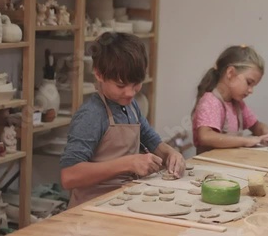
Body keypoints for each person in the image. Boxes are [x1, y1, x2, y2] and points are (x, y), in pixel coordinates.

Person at [60, 32, 186, 208]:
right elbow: (69, 176)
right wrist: (129, 163)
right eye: (121, 85)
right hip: (92, 211)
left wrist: (171, 154)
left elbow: (152, 140)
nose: (130, 93)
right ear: (99, 74)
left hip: (123, 202)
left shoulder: (131, 106)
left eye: (136, 84)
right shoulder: (92, 115)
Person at [192, 45, 268, 155]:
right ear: (230, 73)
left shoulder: (238, 104)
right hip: (209, 164)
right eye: (249, 83)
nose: (251, 91)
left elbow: (256, 126)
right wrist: (247, 141)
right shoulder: (210, 101)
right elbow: (205, 136)